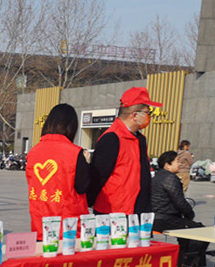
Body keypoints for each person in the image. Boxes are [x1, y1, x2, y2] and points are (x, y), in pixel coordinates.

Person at [88, 87, 162, 215]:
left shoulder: (140, 139)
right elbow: (97, 176)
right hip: (114, 212)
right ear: (135, 115)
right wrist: (90, 201)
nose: (150, 116)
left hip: (139, 210)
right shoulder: (112, 138)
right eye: (148, 113)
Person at [25, 103, 90, 240]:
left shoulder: (33, 152)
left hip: (40, 226)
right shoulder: (75, 153)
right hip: (68, 229)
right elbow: (82, 187)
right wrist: (87, 164)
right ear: (71, 127)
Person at [152, 150, 209, 267]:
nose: (180, 164)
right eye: (177, 161)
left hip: (155, 218)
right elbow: (180, 202)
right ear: (167, 165)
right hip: (164, 219)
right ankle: (189, 265)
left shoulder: (157, 176)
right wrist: (190, 214)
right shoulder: (170, 178)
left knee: (187, 227)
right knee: (199, 230)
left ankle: (183, 258)